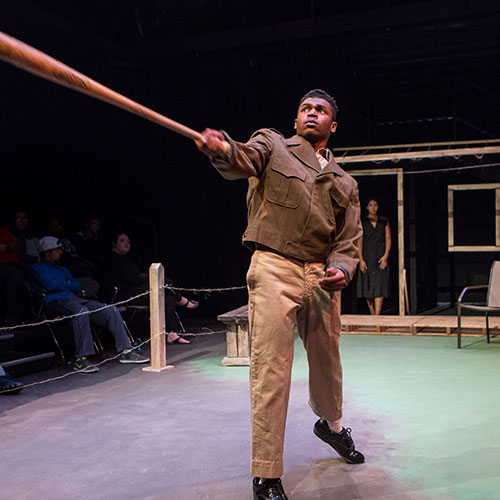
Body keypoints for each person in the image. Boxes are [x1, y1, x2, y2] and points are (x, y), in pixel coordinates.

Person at [196, 89, 364, 500]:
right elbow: (242, 160)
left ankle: (332, 427)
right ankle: (266, 474)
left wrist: (341, 269)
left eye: (320, 110)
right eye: (305, 108)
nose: (311, 113)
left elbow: (349, 240)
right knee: (271, 368)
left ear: (333, 125)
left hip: (320, 275)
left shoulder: (345, 182)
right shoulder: (272, 145)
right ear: (295, 120)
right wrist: (223, 149)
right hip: (274, 266)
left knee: (328, 365)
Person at [30, 236, 150, 372]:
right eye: (57, 250)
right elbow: (50, 285)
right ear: (47, 252)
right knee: (81, 312)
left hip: (73, 299)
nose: (61, 252)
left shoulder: (62, 269)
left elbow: (75, 284)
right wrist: (64, 285)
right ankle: (81, 360)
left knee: (111, 310)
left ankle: (126, 351)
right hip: (54, 302)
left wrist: (61, 285)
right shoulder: (37, 268)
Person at [100, 232, 198, 344]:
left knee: (169, 297)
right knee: (165, 281)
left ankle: (171, 333)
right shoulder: (111, 259)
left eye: (128, 241)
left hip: (135, 290)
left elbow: (136, 277)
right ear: (114, 243)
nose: (126, 244)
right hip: (122, 295)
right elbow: (132, 279)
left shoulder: (125, 258)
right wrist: (149, 278)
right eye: (122, 241)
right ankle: (182, 301)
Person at [356, 198, 392, 315]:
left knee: (379, 285)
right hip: (367, 256)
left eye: (375, 205)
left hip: (380, 257)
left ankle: (377, 315)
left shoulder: (384, 221)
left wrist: (385, 256)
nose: (373, 208)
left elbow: (388, 239)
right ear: (366, 207)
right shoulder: (363, 221)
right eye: (370, 205)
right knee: (368, 286)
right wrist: (360, 259)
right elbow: (359, 241)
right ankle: (372, 314)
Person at [0, 224, 28, 326]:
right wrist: (9, 246)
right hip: (2, 264)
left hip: (14, 262)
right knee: (16, 275)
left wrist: (6, 247)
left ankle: (44, 306)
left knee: (33, 269)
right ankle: (11, 316)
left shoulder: (3, 229)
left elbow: (17, 244)